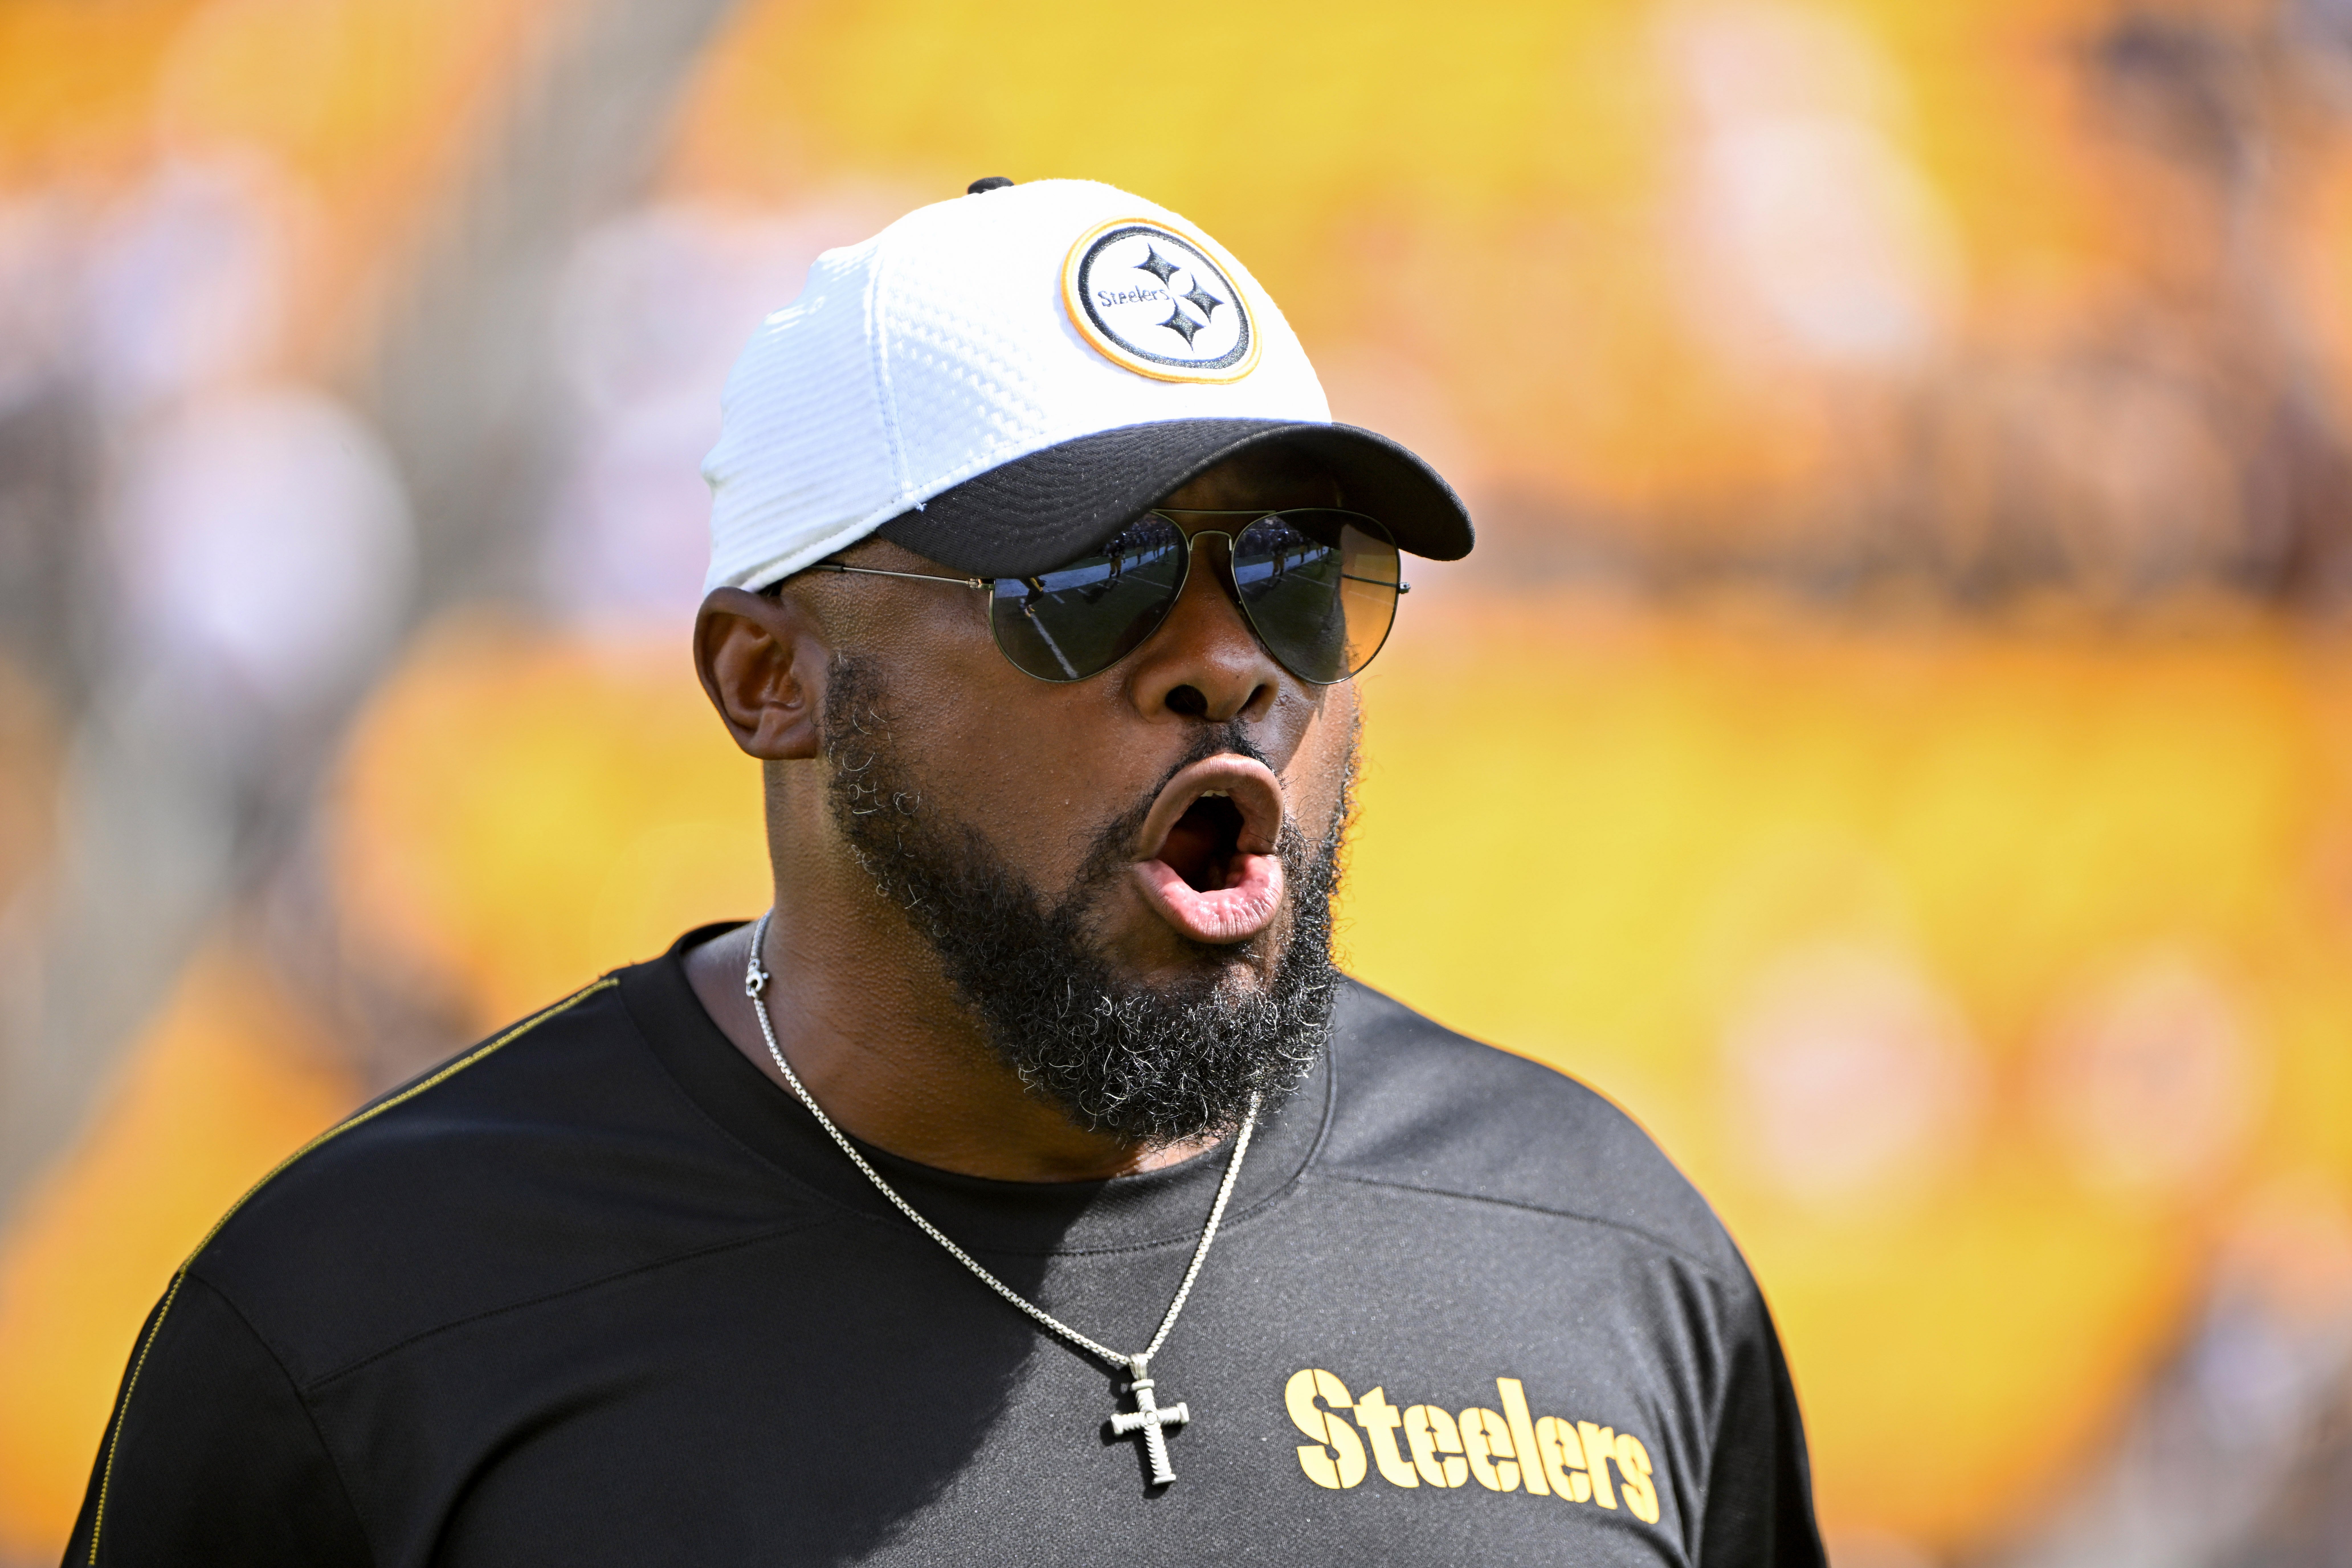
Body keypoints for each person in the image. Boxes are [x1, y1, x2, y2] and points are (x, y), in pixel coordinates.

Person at [68, 178, 1825, 1566]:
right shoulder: (365, 1320)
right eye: (1094, 572)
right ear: (774, 680)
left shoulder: (1599, 1250)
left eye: (1301, 570)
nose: (1232, 665)